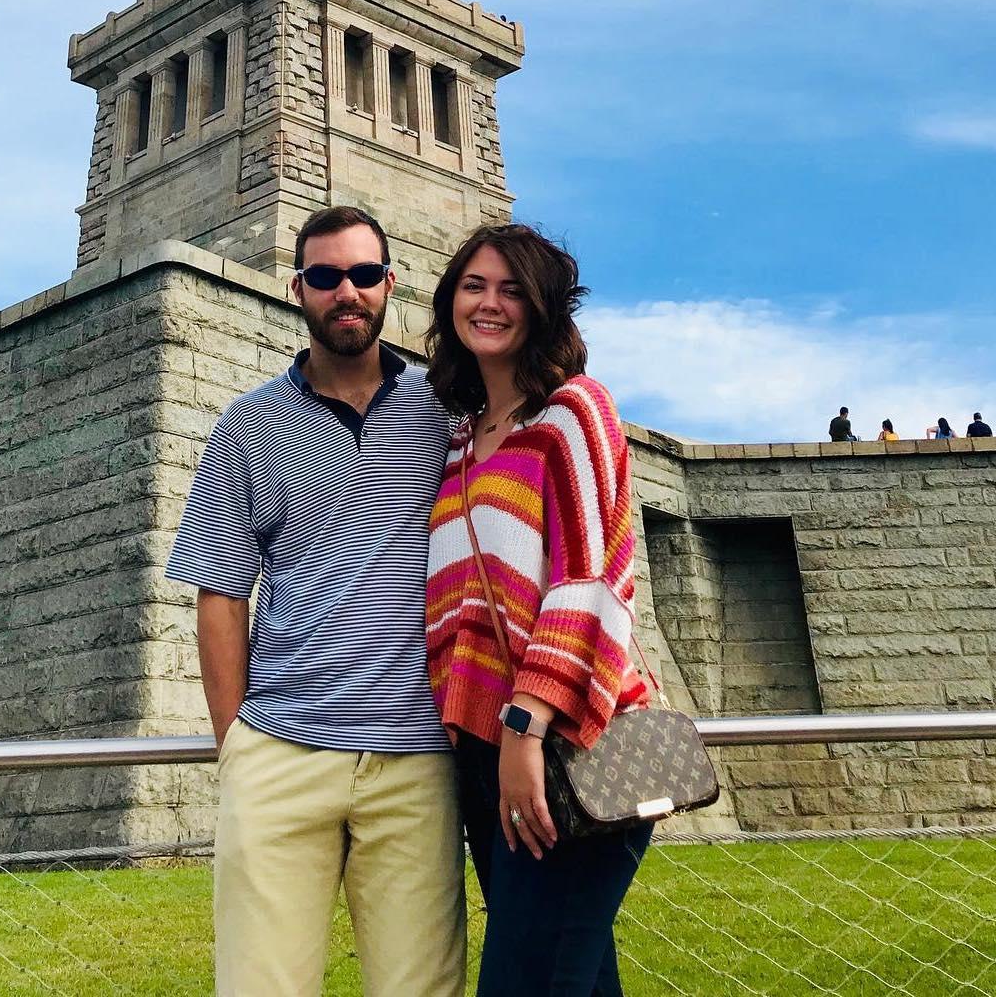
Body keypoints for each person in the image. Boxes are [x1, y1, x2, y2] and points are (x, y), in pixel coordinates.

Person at [165, 205, 465, 997]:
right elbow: (220, 593)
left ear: (390, 284)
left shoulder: (445, 413)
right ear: (297, 288)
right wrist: (236, 747)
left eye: (363, 274)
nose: (346, 292)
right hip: (281, 753)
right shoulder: (248, 424)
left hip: (418, 761)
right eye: (326, 276)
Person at [424, 222, 653, 996]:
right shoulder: (460, 443)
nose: (490, 304)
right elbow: (454, 609)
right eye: (474, 286)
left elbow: (592, 581)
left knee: (522, 981)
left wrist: (525, 725)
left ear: (544, 307)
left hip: (564, 745)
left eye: (512, 290)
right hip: (482, 757)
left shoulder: (572, 412)